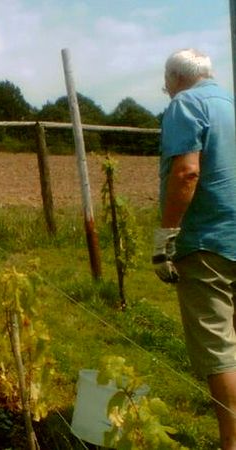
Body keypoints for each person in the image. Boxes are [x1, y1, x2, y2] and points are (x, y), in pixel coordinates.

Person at [153, 48, 236, 449]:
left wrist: (167, 235)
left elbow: (186, 172)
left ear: (175, 77)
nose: (165, 89)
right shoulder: (230, 104)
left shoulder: (185, 105)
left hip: (207, 240)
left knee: (219, 347)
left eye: (165, 82)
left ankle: (230, 443)